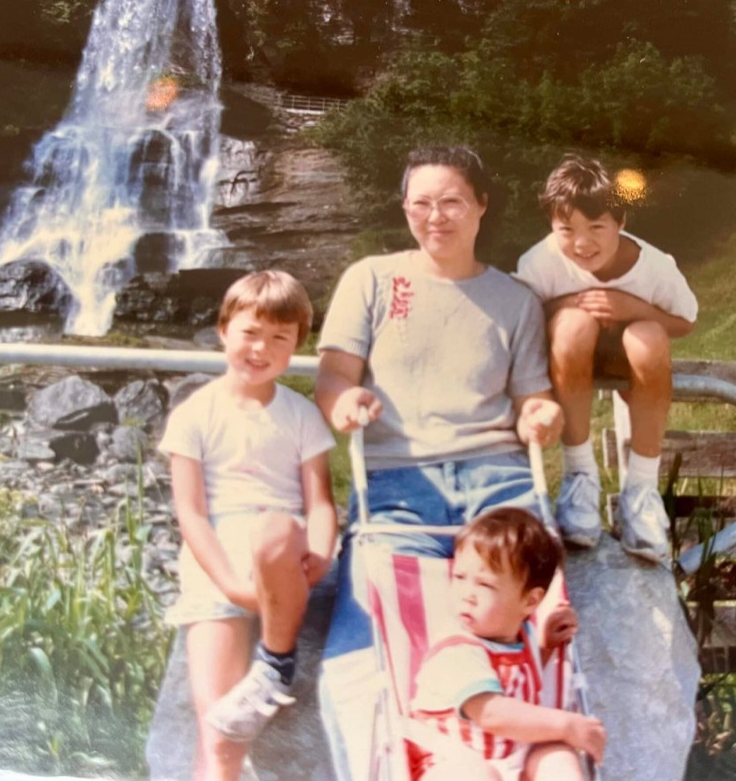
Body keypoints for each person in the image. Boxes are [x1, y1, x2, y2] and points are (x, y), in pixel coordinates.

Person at [314, 145, 563, 775]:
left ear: (481, 205)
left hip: (496, 482)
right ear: (404, 210)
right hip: (400, 485)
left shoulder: (515, 300)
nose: (436, 216)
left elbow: (532, 396)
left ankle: (538, 759)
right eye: (421, 203)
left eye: (452, 200)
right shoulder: (371, 279)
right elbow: (333, 378)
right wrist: (346, 405)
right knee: (358, 646)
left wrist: (540, 414)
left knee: (542, 623)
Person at [159, 270, 337, 781]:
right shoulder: (196, 414)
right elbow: (190, 512)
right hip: (218, 568)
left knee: (277, 528)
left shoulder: (300, 414)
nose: (261, 349)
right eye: (250, 333)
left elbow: (320, 502)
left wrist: (320, 555)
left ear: (296, 346)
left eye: (279, 339)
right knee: (219, 736)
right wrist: (232, 586)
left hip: (282, 558)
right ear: (223, 331)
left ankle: (275, 661)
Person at [515, 154, 698, 562]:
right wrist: (569, 303)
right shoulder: (539, 262)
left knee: (649, 335)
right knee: (573, 324)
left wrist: (630, 306)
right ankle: (580, 479)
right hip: (569, 358)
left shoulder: (653, 265)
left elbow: (685, 321)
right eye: (567, 229)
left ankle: (642, 493)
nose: (582, 243)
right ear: (551, 226)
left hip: (631, 360)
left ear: (621, 222)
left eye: (597, 227)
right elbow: (521, 316)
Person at [408, 509, 606, 781]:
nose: (467, 595)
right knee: (474, 775)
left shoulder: (521, 636)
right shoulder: (457, 648)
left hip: (512, 756)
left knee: (558, 758)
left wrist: (545, 646)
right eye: (460, 577)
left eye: (485, 585)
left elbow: (518, 681)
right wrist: (567, 725)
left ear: (530, 601)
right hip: (452, 761)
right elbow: (492, 713)